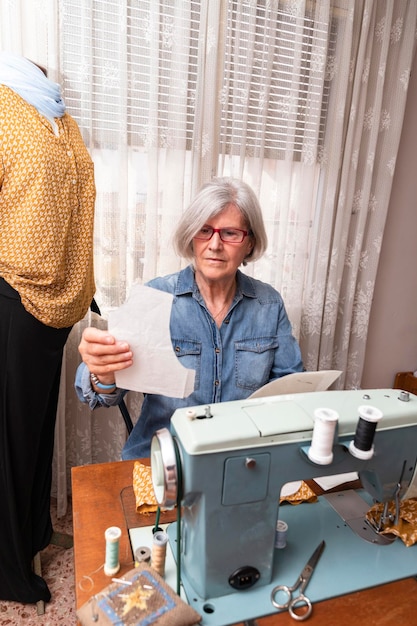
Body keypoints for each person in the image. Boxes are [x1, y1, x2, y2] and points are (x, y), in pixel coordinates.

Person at [76, 177, 303, 459]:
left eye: (230, 233)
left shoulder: (269, 304)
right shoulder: (155, 297)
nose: (215, 244)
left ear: (249, 244)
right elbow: (100, 394)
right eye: (204, 231)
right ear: (191, 237)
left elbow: (291, 388)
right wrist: (103, 372)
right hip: (161, 461)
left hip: (240, 461)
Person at [0, 52, 96, 604]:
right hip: (13, 297)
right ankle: (9, 571)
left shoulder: (60, 117)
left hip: (55, 303)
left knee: (34, 434)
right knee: (9, 442)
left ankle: (33, 535)